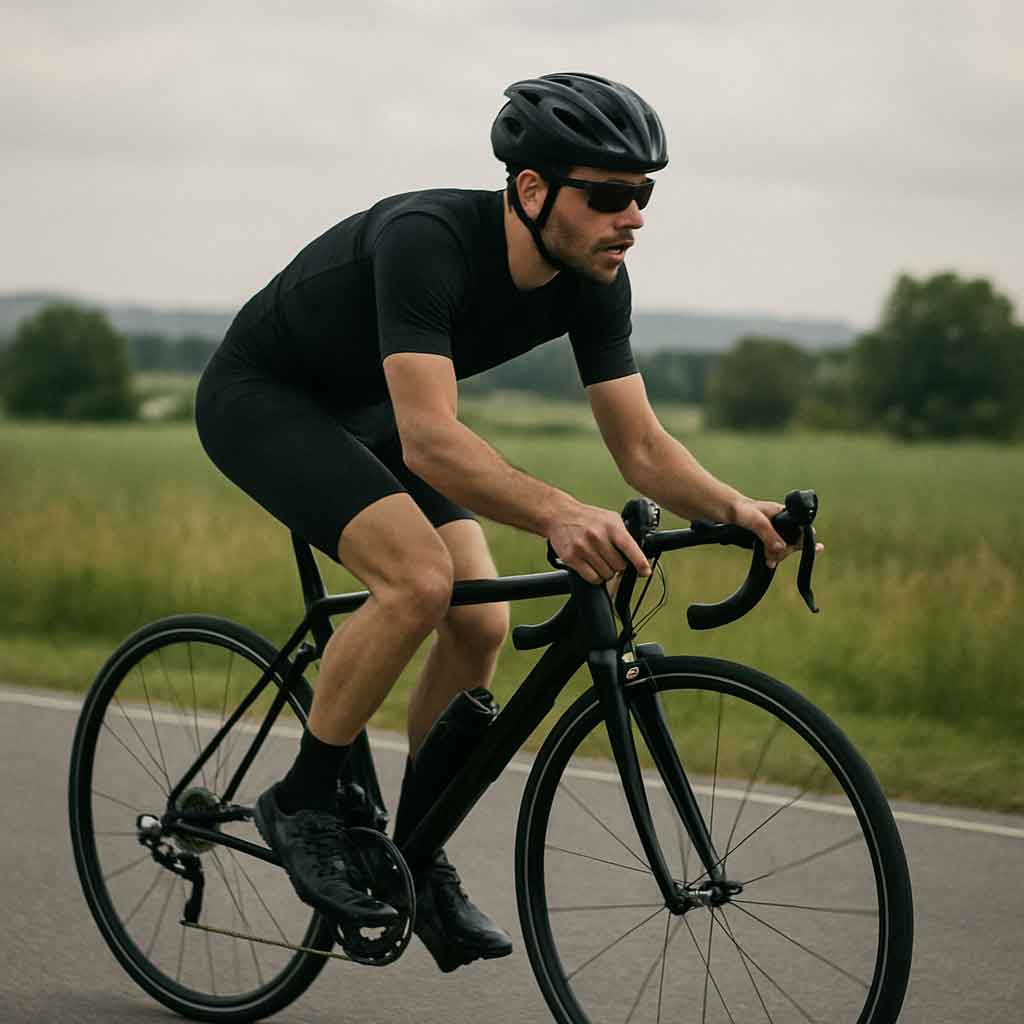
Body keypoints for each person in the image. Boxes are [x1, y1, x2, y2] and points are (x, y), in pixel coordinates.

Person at [195, 71, 797, 973]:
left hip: (373, 415)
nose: (631, 216)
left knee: (478, 618)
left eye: (643, 195)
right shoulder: (427, 240)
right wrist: (557, 511)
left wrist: (737, 509)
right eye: (607, 195)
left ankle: (415, 852)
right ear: (530, 189)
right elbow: (432, 441)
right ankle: (305, 801)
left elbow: (639, 446)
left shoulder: (595, 278)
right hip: (266, 399)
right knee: (418, 579)